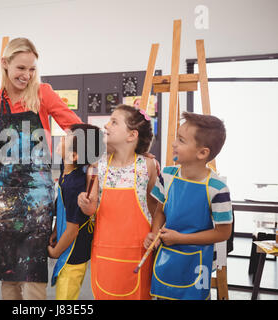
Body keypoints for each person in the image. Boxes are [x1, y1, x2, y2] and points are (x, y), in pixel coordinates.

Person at [0, 37, 82, 300]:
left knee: (33, 272)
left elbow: (77, 128)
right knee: (6, 272)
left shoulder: (43, 93)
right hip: (1, 198)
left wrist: (91, 164)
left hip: (37, 199)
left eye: (32, 69)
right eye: (21, 68)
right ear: (5, 64)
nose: (27, 75)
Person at [145, 112, 232, 300]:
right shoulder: (167, 175)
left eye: (181, 140)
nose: (174, 143)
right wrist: (154, 234)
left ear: (202, 153)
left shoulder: (217, 188)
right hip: (166, 257)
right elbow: (160, 211)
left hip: (197, 264)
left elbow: (223, 233)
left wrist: (180, 238)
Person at [78, 104, 158, 300]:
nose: (106, 125)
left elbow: (155, 207)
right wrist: (86, 205)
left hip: (139, 251)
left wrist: (155, 233)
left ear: (132, 135)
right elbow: (92, 208)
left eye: (114, 122)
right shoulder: (98, 165)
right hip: (104, 250)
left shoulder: (147, 165)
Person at [48, 123, 105, 300]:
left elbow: (73, 229)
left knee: (65, 294)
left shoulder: (75, 185)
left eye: (66, 138)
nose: (61, 139)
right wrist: (56, 229)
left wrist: (55, 252)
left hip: (73, 251)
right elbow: (62, 207)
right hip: (68, 242)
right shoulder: (67, 176)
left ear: (74, 155)